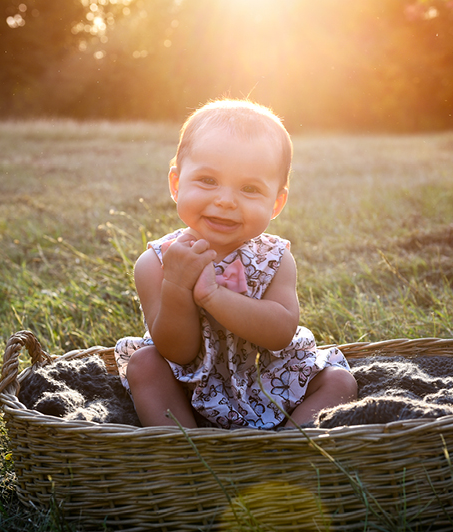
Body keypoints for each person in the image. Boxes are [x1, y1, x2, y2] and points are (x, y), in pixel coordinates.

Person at [114, 99, 358, 430]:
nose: (226, 200)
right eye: (208, 181)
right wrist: (176, 286)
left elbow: (280, 333)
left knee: (340, 383)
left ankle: (284, 452)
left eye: (249, 188)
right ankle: (186, 453)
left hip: (268, 380)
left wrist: (215, 297)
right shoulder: (157, 262)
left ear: (276, 203)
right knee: (144, 364)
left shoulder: (275, 259)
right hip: (188, 385)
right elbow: (177, 352)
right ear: (176, 184)